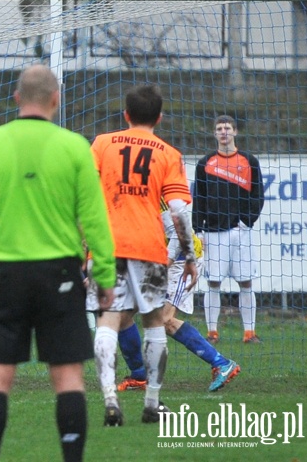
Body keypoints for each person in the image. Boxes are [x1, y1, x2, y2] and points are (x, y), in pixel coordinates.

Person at [0, 65, 117, 462]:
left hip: (3, 271)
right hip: (60, 273)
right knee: (67, 376)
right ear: (55, 99)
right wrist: (105, 275)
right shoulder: (75, 147)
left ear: (16, 99)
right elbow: (95, 218)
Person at [88, 83, 197, 427]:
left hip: (105, 245)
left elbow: (84, 197)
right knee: (153, 320)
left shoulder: (102, 144)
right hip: (149, 247)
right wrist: (189, 254)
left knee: (108, 318)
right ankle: (152, 403)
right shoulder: (168, 153)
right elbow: (178, 209)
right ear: (160, 117)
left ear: (126, 114)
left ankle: (109, 398)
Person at [108, 202, 240, 394]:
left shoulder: (157, 194)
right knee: (122, 315)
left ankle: (222, 363)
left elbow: (178, 237)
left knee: (164, 319)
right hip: (153, 259)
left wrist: (162, 267)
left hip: (181, 259)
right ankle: (139, 375)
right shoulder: (124, 192)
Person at [193, 115, 265, 345]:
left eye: (227, 128)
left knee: (246, 282)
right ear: (214, 133)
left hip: (241, 231)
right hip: (214, 232)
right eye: (219, 128)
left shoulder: (249, 161)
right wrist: (198, 230)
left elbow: (258, 196)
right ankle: (212, 332)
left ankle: (249, 333)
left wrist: (247, 221)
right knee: (213, 282)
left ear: (235, 132)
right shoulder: (204, 163)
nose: (223, 132)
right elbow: (199, 199)